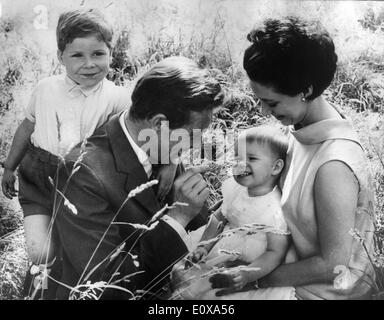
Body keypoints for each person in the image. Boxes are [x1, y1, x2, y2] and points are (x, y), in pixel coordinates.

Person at [0, 8, 177, 299]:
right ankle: (35, 290)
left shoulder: (119, 97)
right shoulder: (46, 89)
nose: (89, 64)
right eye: (77, 56)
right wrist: (10, 166)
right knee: (40, 251)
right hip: (40, 178)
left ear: (111, 52)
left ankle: (66, 289)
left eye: (98, 54)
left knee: (76, 252)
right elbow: (26, 127)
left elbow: (153, 127)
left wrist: (169, 160)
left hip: (86, 186)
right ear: (60, 57)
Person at [213, 16, 375, 300]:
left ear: (307, 90)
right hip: (280, 261)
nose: (263, 113)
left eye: (271, 103)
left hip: (318, 292)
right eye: (259, 100)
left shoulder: (333, 165)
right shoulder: (304, 125)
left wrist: (249, 279)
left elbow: (332, 265)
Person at [52, 56, 225, 300]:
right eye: (193, 134)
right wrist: (178, 217)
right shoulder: (82, 172)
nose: (198, 143)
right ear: (158, 123)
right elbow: (105, 284)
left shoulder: (161, 145)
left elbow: (200, 231)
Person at [171, 125, 296, 300]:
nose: (241, 164)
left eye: (252, 158)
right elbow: (218, 218)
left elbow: (275, 253)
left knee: (214, 294)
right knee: (181, 272)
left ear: (275, 168)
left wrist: (246, 274)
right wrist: (204, 245)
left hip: (248, 262)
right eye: (237, 157)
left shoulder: (274, 208)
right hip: (221, 247)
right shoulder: (235, 188)